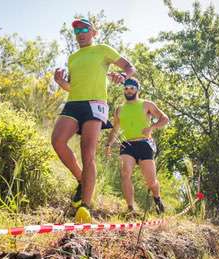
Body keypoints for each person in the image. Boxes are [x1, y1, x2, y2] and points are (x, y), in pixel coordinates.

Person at [52, 18, 136, 223]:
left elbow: (129, 67)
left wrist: (123, 77)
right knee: (57, 141)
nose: (80, 33)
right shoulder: (73, 57)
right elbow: (73, 87)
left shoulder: (102, 49)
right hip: (73, 103)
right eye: (76, 30)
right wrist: (61, 82)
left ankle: (85, 207)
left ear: (93, 32)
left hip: (95, 105)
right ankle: (82, 179)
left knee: (87, 152)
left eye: (84, 29)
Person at [105, 78, 169, 215]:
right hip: (127, 144)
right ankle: (130, 208)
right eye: (126, 88)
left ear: (137, 89)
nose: (129, 91)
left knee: (151, 181)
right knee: (125, 173)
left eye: (132, 88)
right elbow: (115, 129)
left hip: (144, 143)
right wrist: (108, 144)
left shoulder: (146, 104)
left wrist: (152, 127)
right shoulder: (119, 109)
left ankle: (157, 198)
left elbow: (165, 119)